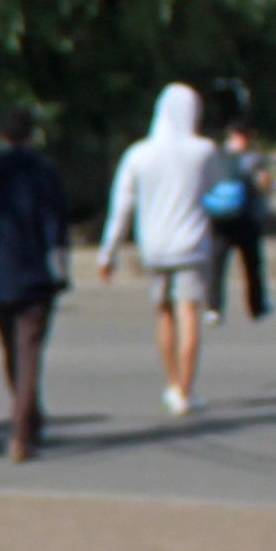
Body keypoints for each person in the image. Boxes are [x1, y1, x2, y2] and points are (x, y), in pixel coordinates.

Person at [98, 84, 221, 416]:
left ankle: (171, 383)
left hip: (153, 247)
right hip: (192, 245)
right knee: (189, 312)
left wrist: (107, 252)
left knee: (162, 312)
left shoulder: (138, 154)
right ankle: (186, 389)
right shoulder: (203, 150)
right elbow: (217, 190)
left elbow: (121, 207)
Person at [0, 107, 70, 462]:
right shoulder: (43, 171)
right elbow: (55, 221)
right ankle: (22, 430)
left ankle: (30, 416)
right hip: (35, 271)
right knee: (30, 350)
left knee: (11, 347)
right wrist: (60, 266)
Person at [203, 123, 272, 323]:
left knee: (217, 265)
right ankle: (256, 306)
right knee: (252, 266)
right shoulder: (253, 159)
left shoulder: (215, 156)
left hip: (219, 219)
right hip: (247, 219)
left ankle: (214, 307)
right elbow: (264, 184)